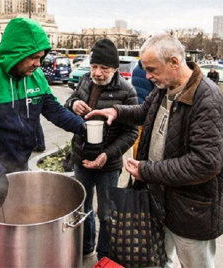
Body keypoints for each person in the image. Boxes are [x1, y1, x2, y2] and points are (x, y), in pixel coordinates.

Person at [86, 33, 223, 268]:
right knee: (159, 259)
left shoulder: (208, 100)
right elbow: (146, 110)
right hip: (161, 201)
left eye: (152, 69)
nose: (147, 76)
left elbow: (205, 163)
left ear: (174, 62)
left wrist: (147, 171)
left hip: (191, 210)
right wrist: (118, 111)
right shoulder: (166, 87)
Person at [0, 18, 86, 267]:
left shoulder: (36, 77)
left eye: (41, 57)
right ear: (14, 53)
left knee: (14, 229)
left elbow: (54, 110)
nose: (38, 63)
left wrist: (82, 127)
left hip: (18, 165)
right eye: (32, 57)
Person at [64, 38, 138, 260]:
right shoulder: (85, 80)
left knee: (106, 212)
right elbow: (71, 100)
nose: (97, 73)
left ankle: (104, 253)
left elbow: (131, 133)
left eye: (103, 68)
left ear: (115, 69)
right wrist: (73, 104)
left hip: (108, 164)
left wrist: (108, 154)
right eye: (94, 66)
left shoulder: (127, 92)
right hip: (81, 159)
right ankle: (86, 246)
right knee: (82, 206)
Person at [131, 59, 155, 158]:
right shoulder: (151, 71)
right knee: (144, 137)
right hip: (147, 106)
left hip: (137, 105)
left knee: (138, 137)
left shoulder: (136, 69)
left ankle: (135, 159)